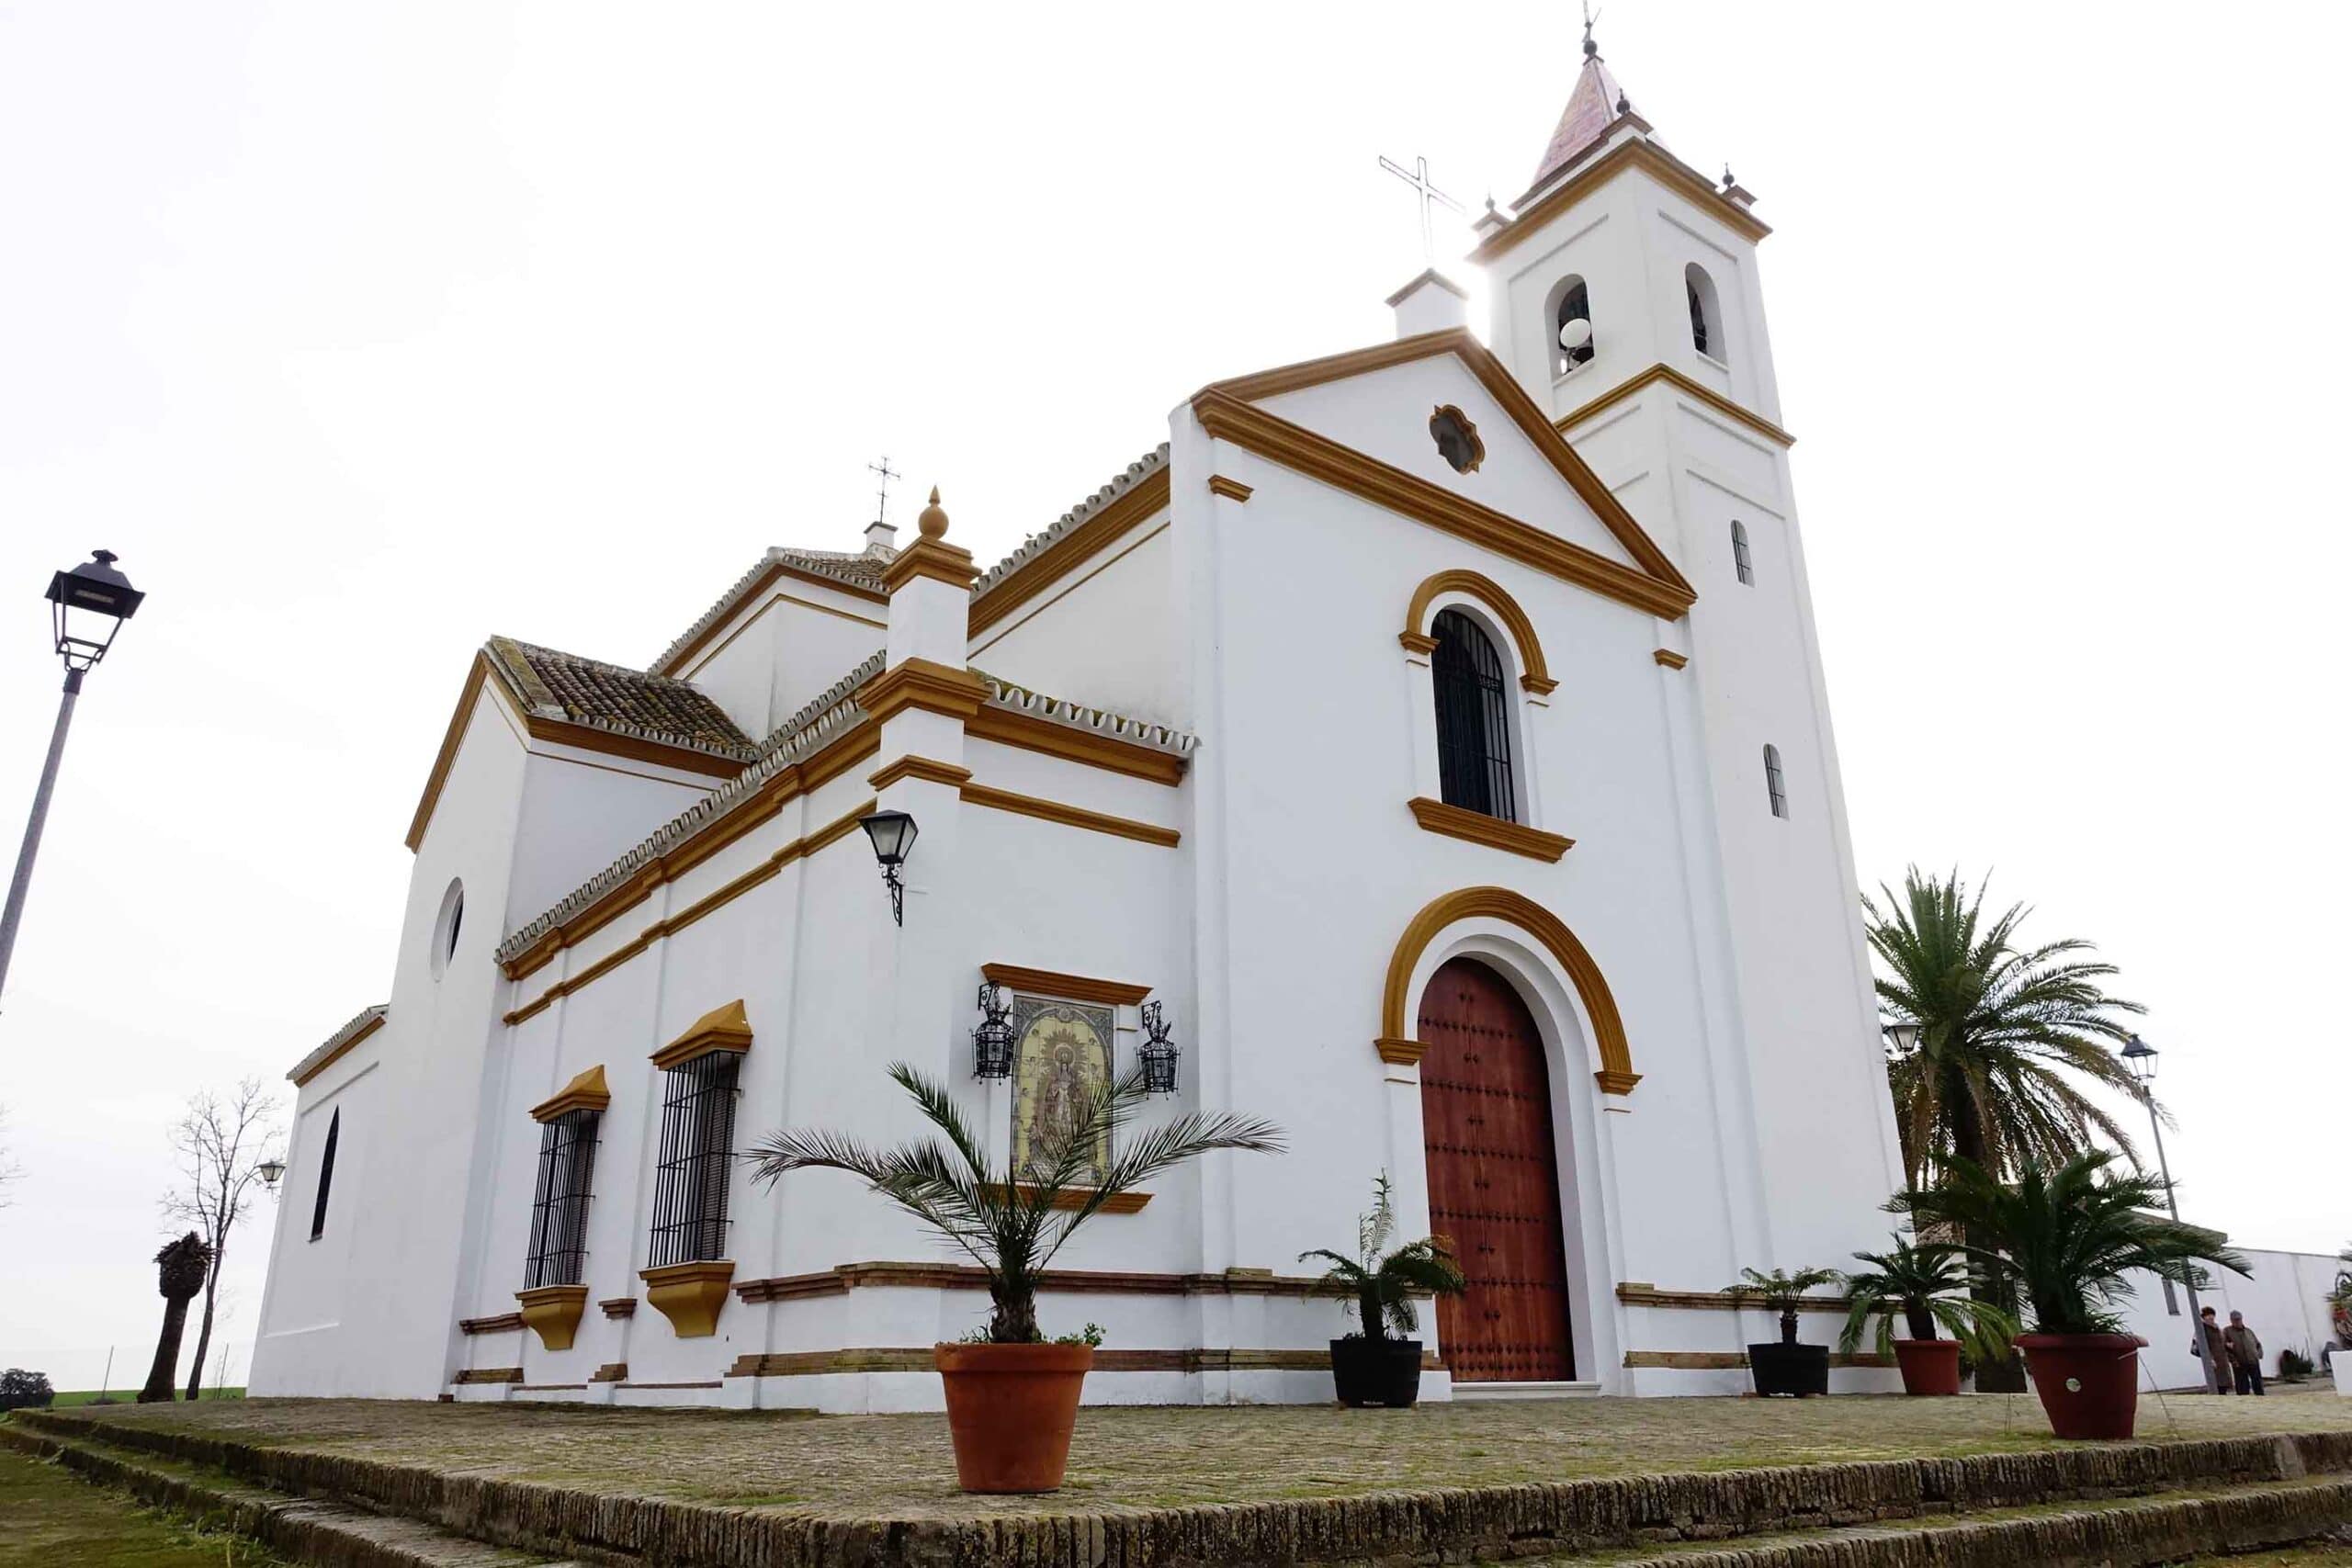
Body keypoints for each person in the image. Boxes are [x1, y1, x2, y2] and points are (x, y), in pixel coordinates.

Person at [2223, 1310, 2267, 1396]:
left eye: (2239, 1319)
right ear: (2231, 1320)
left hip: (2253, 1361)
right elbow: (2225, 1347)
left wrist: (2258, 1354)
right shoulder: (2227, 1331)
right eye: (2235, 1320)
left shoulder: (2248, 1331)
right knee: (2242, 1388)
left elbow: (2257, 1344)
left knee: (2258, 1385)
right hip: (2239, 1363)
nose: (2237, 1322)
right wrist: (2233, 1360)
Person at [2196, 1306, 2232, 1393]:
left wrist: (2227, 1345)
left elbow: (2221, 1343)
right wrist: (2209, 1359)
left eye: (2212, 1315)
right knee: (2216, 1386)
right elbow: (2198, 1348)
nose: (2211, 1318)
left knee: (2224, 1387)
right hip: (2213, 1364)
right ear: (2203, 1318)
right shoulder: (2202, 1330)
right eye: (2208, 1316)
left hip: (2223, 1362)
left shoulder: (2218, 1329)